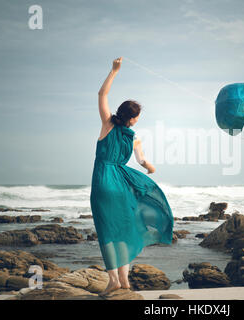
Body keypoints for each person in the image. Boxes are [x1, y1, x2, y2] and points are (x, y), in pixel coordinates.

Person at [90, 57, 174, 296]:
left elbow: (101, 94)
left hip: (103, 179)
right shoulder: (134, 136)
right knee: (124, 230)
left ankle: (114, 280)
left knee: (107, 231)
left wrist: (114, 71)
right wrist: (150, 169)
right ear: (134, 118)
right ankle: (125, 280)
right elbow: (143, 162)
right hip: (122, 183)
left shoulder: (107, 125)